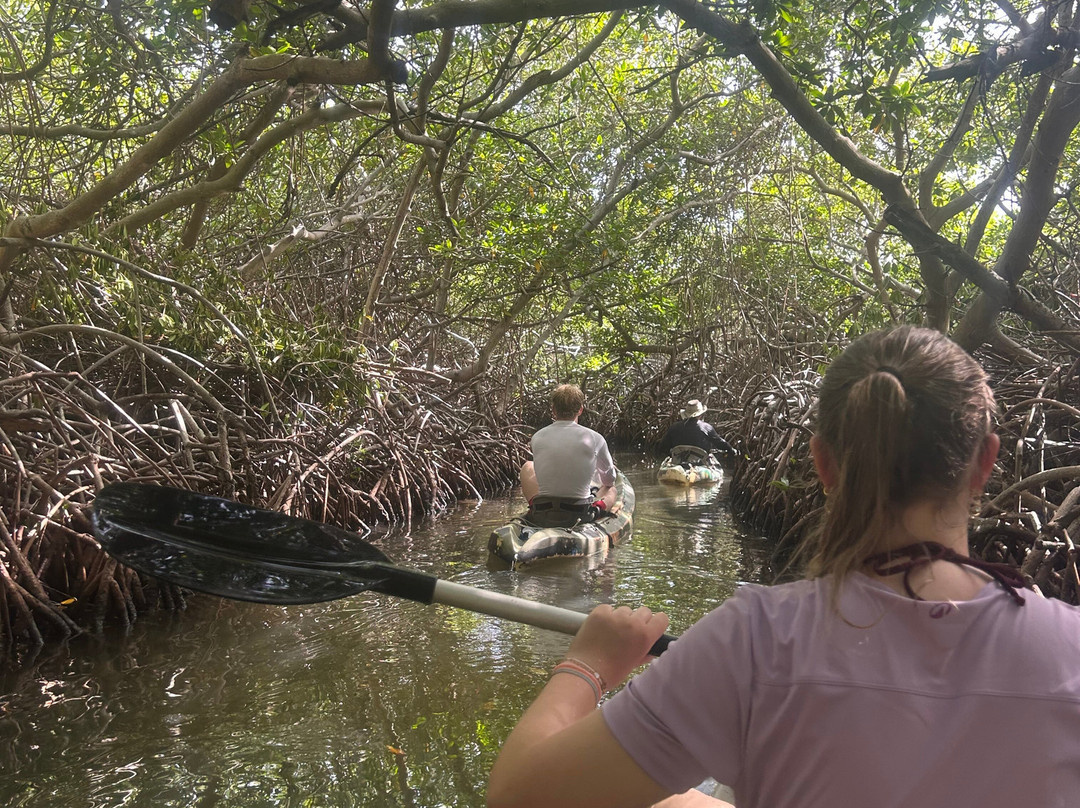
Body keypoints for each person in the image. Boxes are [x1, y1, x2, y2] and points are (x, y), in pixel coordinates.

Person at [487, 325, 1080, 808]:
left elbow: (519, 795)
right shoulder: (1070, 646)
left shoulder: (753, 642)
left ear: (822, 464)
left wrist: (587, 664)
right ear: (986, 465)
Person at [519, 383, 617, 524]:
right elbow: (609, 480)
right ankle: (597, 509)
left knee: (528, 466)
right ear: (580, 410)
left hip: (544, 510)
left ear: (553, 410)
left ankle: (534, 507)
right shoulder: (595, 438)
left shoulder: (537, 437)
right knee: (612, 489)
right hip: (580, 512)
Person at [658, 399, 735, 464]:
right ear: (700, 414)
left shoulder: (673, 427)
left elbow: (662, 447)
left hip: (678, 463)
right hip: (700, 464)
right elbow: (720, 443)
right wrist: (731, 450)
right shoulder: (707, 427)